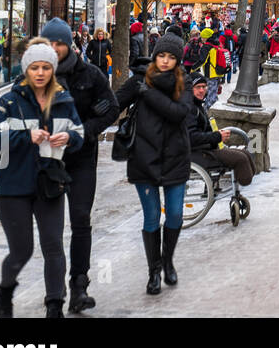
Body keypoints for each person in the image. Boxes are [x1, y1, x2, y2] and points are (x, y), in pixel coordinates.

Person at [0, 39, 84, 317]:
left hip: (49, 184)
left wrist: (70, 138)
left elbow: (80, 133)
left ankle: (55, 305)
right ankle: (5, 291)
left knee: (53, 246)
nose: (40, 73)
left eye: (46, 67)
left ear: (53, 70)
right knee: (21, 250)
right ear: (27, 69)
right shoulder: (9, 101)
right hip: (13, 186)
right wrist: (24, 136)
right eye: (35, 67)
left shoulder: (63, 100)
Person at [42, 17, 118, 315]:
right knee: (51, 229)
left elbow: (111, 108)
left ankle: (79, 284)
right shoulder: (36, 74)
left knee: (81, 219)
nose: (54, 48)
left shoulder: (90, 74)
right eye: (49, 43)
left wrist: (84, 130)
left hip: (82, 159)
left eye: (59, 43)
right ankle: (53, 294)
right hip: (47, 160)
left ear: (68, 44)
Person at [114, 32, 195, 295]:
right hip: (144, 160)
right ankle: (154, 271)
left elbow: (178, 113)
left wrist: (147, 94)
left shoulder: (184, 83)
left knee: (174, 214)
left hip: (176, 159)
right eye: (161, 55)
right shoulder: (139, 80)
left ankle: (168, 259)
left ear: (178, 60)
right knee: (151, 217)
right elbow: (113, 105)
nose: (165, 61)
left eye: (171, 57)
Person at [186, 75, 254, 187]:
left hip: (204, 150)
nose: (202, 90)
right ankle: (242, 183)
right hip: (196, 154)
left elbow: (203, 132)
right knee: (240, 159)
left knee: (245, 153)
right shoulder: (189, 108)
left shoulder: (197, 106)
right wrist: (217, 136)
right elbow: (192, 137)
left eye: (204, 87)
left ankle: (239, 186)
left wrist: (217, 135)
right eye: (198, 87)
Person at [197, 28, 229, 105]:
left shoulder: (206, 47)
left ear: (206, 37)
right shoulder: (217, 44)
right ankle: (213, 108)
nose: (201, 39)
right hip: (219, 72)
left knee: (210, 96)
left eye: (202, 37)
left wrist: (192, 69)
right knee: (212, 93)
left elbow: (202, 61)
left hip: (211, 74)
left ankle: (207, 113)